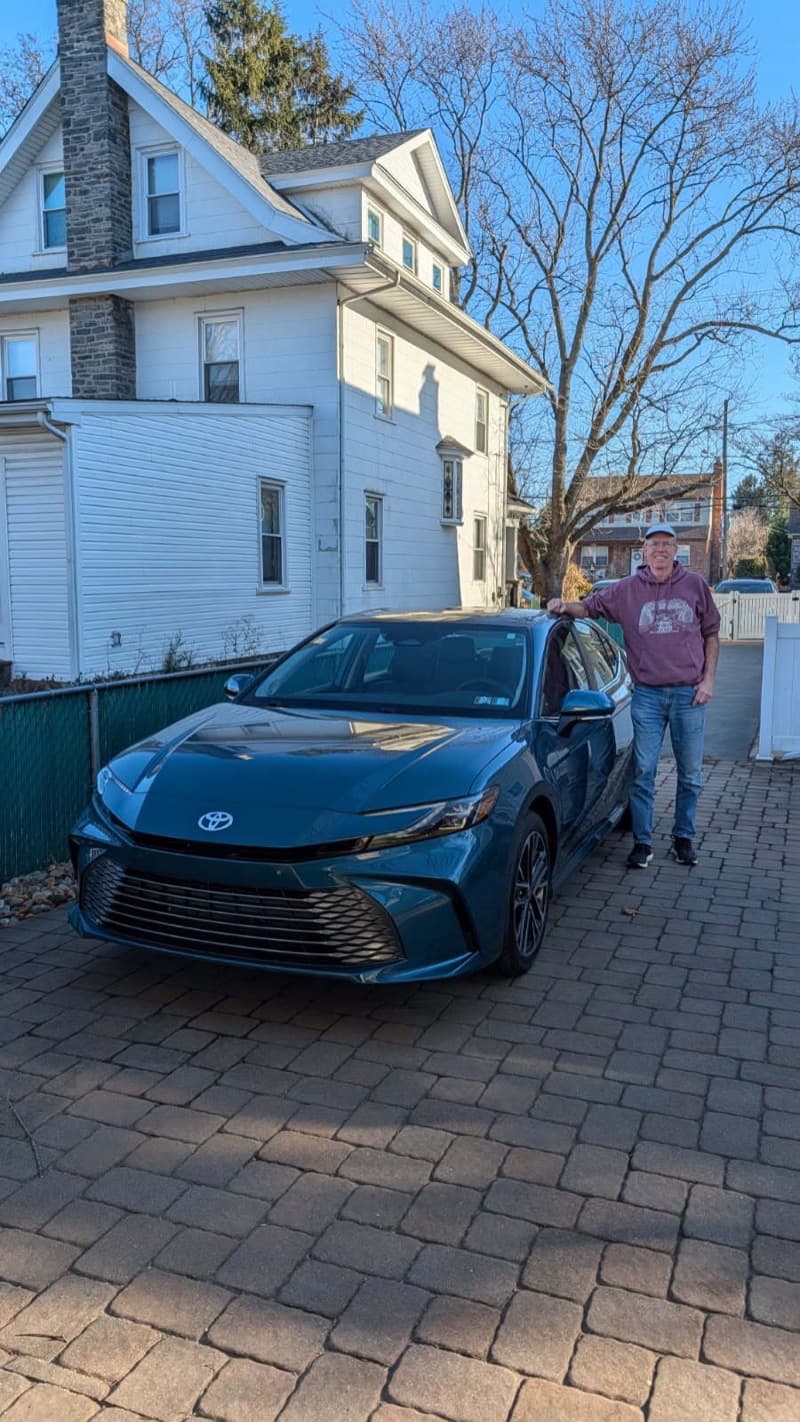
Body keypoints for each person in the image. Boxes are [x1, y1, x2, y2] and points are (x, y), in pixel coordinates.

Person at [547, 523, 720, 868]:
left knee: (690, 774)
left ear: (676, 550)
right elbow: (590, 607)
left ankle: (683, 837)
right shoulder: (627, 590)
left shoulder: (695, 586)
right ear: (644, 551)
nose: (660, 550)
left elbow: (712, 634)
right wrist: (563, 605)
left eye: (666, 544)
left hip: (689, 695)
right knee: (643, 772)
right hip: (648, 697)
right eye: (654, 544)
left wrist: (708, 681)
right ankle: (642, 842)